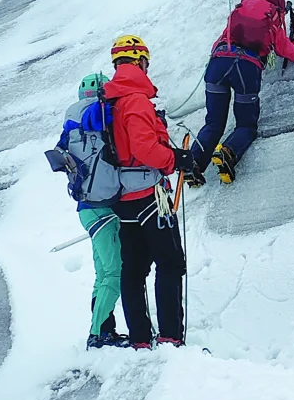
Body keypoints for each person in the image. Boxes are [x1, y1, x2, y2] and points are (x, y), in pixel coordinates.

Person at [103, 35, 198, 349]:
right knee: (170, 263)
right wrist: (174, 159)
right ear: (140, 61)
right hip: (149, 196)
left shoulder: (110, 100)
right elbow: (144, 148)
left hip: (121, 197)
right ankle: (171, 337)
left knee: (133, 270)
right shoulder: (136, 100)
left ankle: (141, 340)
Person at [190, 0, 294, 184]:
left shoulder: (238, 14)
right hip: (246, 69)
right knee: (246, 125)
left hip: (218, 64)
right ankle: (228, 151)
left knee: (214, 123)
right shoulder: (272, 19)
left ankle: (193, 162)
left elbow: (217, 44)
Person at [55, 73, 128, 350]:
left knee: (103, 274)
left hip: (86, 208)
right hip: (103, 208)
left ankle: (102, 331)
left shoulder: (70, 124)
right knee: (113, 273)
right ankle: (98, 335)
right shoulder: (98, 115)